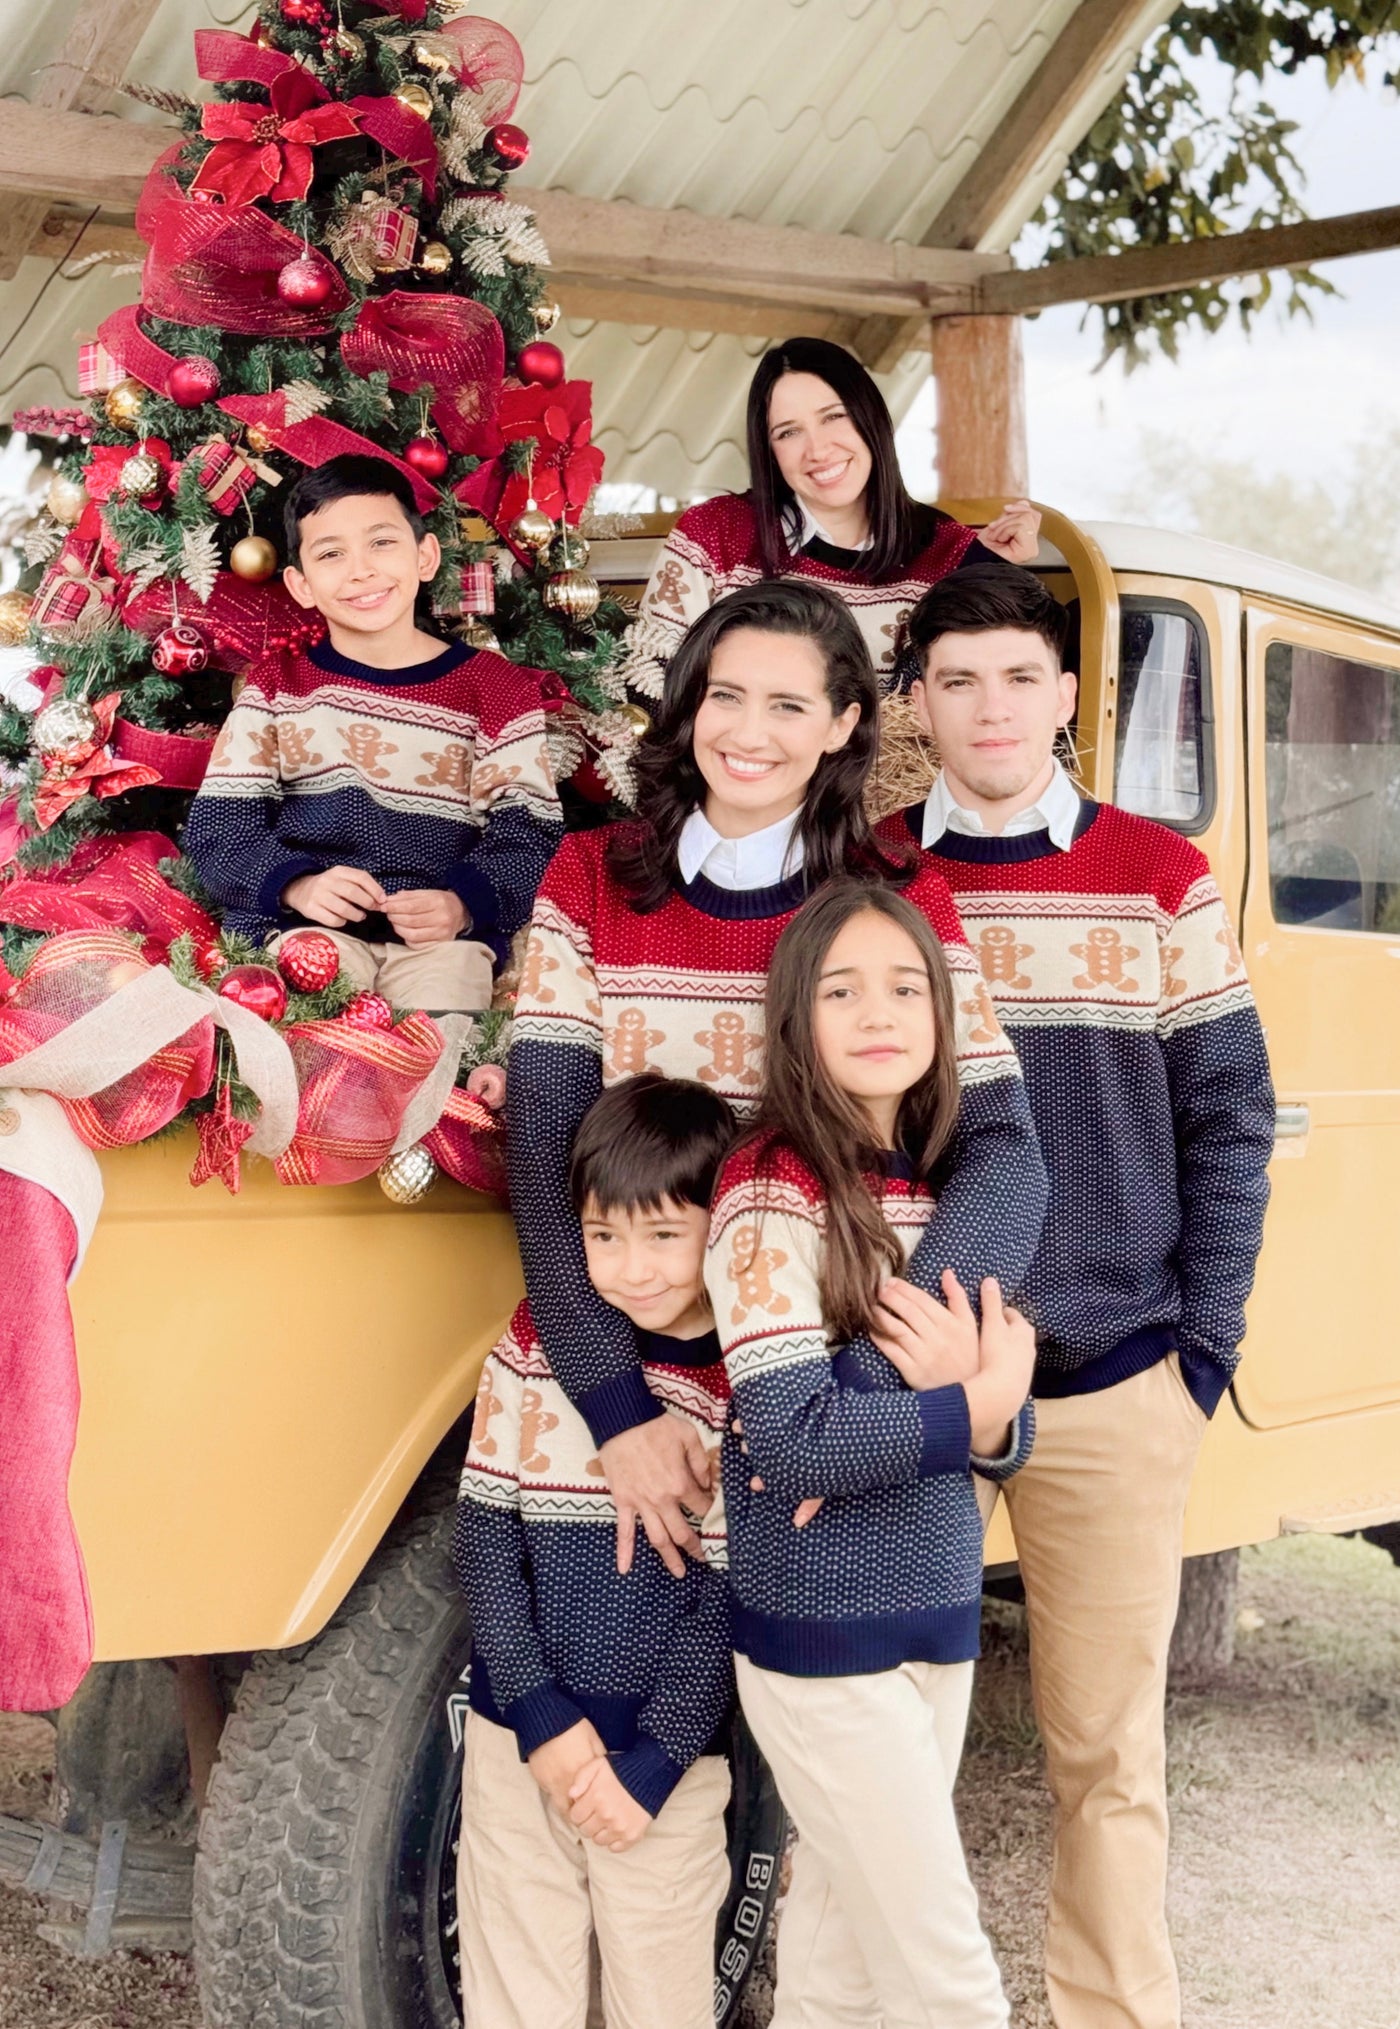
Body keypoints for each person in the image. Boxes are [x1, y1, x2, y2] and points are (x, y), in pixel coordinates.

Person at [877, 563, 1275, 2029]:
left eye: (1019, 678)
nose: (991, 706)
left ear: (1066, 699)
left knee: (1106, 1752)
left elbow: (1228, 1114)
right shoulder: (868, 877)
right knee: (879, 1736)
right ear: (919, 702)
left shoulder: (1161, 877)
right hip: (909, 1375)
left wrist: (1201, 1347)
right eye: (959, 678)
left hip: (1115, 1375)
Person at [506, 577, 1047, 1582]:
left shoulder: (898, 896)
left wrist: (859, 1388)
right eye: (724, 695)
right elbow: (543, 1159)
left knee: (808, 1724)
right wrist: (618, 1412)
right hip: (643, 1391)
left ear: (844, 725)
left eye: (789, 704)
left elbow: (1003, 1154)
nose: (748, 731)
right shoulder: (586, 879)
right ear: (687, 706)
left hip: (834, 1392)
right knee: (638, 1707)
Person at [708, 878, 1036, 2027]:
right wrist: (969, 1403)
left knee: (843, 1962)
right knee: (948, 1980)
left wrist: (990, 1411)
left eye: (906, 986)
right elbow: (793, 1440)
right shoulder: (767, 1190)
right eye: (839, 989)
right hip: (820, 1633)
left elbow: (999, 1414)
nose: (877, 1011)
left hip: (935, 1610)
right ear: (794, 1017)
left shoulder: (945, 1196)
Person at [452, 1073, 736, 2029]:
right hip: (518, 1747)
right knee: (514, 1998)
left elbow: (731, 1600)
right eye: (603, 1236)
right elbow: (486, 1539)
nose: (633, 1267)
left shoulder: (747, 1376)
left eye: (664, 1235)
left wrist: (653, 1763)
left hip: (665, 1773)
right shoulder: (538, 1346)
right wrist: (533, 1709)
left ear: (720, 1224)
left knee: (658, 2002)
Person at [185, 455, 560, 1014]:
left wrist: (462, 904)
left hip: (441, 943)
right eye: (332, 554)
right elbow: (220, 828)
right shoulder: (278, 687)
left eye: (381, 543)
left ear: (425, 556)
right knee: (312, 1029)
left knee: (441, 1040)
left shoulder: (497, 692)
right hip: (306, 928)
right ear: (301, 584)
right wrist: (298, 886)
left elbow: (530, 836)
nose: (360, 570)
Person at [620, 335, 1042, 700]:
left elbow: (956, 692)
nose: (818, 450)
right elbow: (648, 688)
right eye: (788, 432)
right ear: (769, 451)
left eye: (833, 416)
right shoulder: (714, 535)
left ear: (870, 418)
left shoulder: (947, 551)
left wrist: (987, 570)